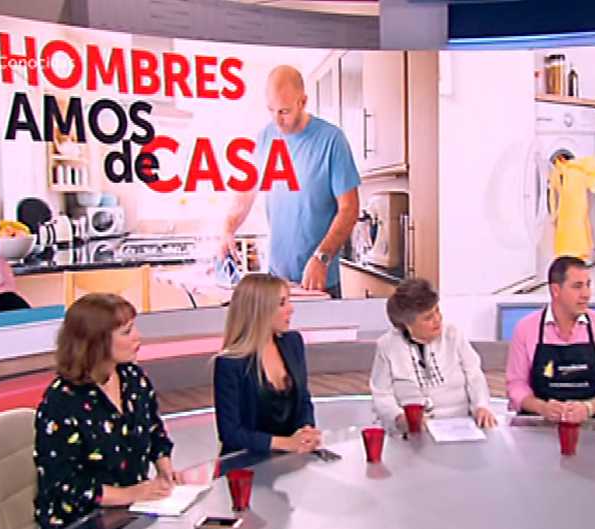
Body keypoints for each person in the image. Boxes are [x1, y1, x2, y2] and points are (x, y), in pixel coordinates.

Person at [34, 293, 181, 529]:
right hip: (78, 523)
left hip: (134, 512)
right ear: (95, 342)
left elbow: (154, 432)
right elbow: (65, 485)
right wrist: (131, 494)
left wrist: (165, 469)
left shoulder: (133, 378)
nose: (138, 337)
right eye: (127, 332)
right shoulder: (62, 401)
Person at [218, 65, 360, 298]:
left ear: (302, 102)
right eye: (271, 110)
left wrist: (322, 258)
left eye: (284, 111)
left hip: (318, 279)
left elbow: (349, 209)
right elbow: (245, 195)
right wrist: (228, 229)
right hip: (277, 279)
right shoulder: (265, 138)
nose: (277, 120)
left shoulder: (331, 140)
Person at [505, 256, 595, 422]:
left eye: (588, 285)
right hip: (538, 426)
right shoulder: (526, 328)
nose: (586, 294)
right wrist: (542, 408)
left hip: (593, 427)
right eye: (577, 286)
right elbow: (516, 385)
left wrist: (588, 408)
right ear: (555, 290)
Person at [213, 273, 320, 455]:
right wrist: (285, 443)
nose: (291, 309)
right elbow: (230, 433)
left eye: (289, 301)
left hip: (292, 457)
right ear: (260, 310)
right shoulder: (230, 363)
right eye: (282, 303)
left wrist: (306, 430)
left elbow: (303, 398)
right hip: (247, 461)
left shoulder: (293, 342)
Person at [370, 278, 497, 429]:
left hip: (459, 424)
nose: (438, 319)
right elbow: (381, 394)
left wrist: (481, 406)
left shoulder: (453, 334)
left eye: (437, 310)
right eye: (428, 318)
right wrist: (399, 417)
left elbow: (474, 375)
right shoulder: (387, 346)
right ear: (407, 324)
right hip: (411, 430)